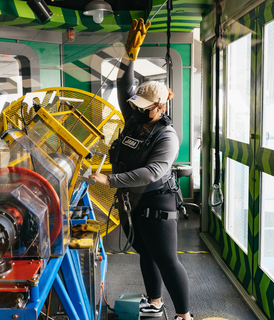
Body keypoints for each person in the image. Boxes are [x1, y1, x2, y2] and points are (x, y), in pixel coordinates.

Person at [88, 19, 193, 320]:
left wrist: (110, 179)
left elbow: (153, 172)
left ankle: (184, 315)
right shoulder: (135, 118)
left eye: (146, 106)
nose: (137, 108)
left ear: (160, 107)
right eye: (137, 104)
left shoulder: (166, 136)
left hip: (156, 201)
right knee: (145, 253)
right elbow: (123, 84)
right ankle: (155, 301)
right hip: (132, 200)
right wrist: (129, 54)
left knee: (167, 259)